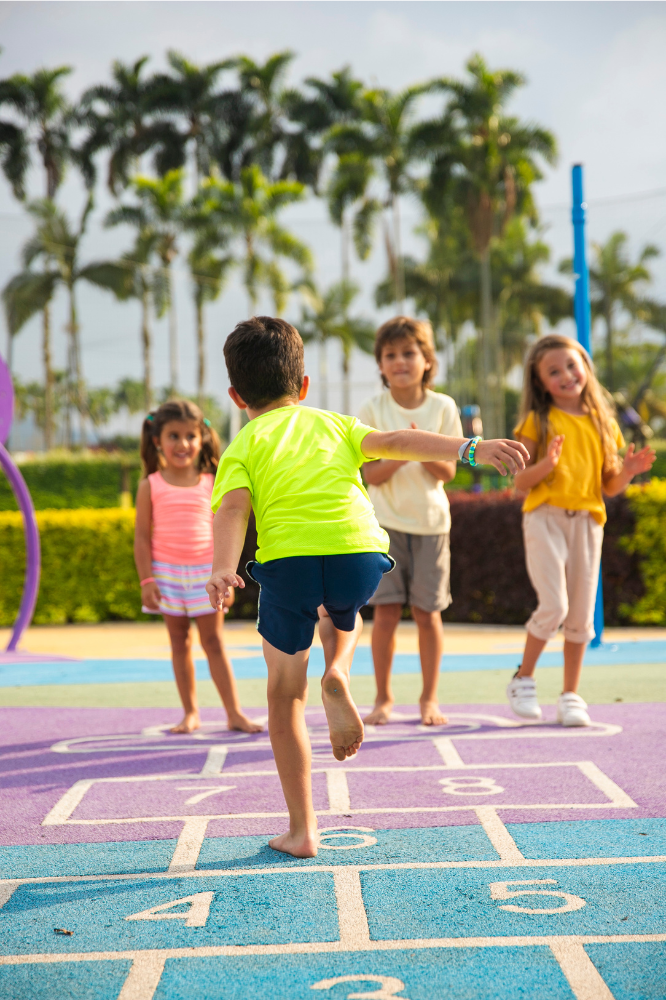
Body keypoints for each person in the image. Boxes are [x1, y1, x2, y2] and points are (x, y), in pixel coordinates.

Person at [206, 316, 528, 857]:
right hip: (359, 550)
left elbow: (234, 509)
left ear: (237, 395)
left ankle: (303, 830)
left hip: (289, 560)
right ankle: (339, 669)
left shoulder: (241, 446)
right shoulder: (333, 423)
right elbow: (400, 440)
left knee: (285, 694)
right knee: (345, 612)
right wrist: (471, 448)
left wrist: (222, 566)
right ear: (303, 387)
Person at [509, 334, 655, 727]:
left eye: (572, 366)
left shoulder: (605, 424)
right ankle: (523, 678)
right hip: (545, 517)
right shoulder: (537, 420)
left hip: (588, 522)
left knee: (580, 613)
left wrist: (627, 471)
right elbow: (520, 481)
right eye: (554, 371)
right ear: (540, 383)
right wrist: (548, 466)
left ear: (586, 369)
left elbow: (609, 486)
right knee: (553, 605)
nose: (566, 375)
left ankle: (571, 694)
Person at [134, 398, 261, 736]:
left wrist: (226, 577)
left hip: (208, 575)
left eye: (190, 436)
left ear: (202, 438)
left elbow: (229, 528)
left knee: (214, 642)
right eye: (173, 436)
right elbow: (142, 539)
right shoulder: (150, 485)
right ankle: (190, 713)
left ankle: (234, 713)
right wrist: (147, 580)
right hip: (167, 576)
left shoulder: (213, 481)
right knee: (178, 643)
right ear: (157, 439)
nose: (182, 444)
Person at [359, 317, 462, 727]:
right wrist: (400, 447)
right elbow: (370, 474)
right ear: (381, 365)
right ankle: (383, 698)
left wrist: (421, 447)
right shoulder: (372, 409)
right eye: (390, 355)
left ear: (426, 360)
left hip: (432, 525)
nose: (400, 361)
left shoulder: (443, 407)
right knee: (384, 614)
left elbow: (448, 472)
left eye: (408, 353)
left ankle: (428, 699)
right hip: (383, 527)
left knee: (427, 613)